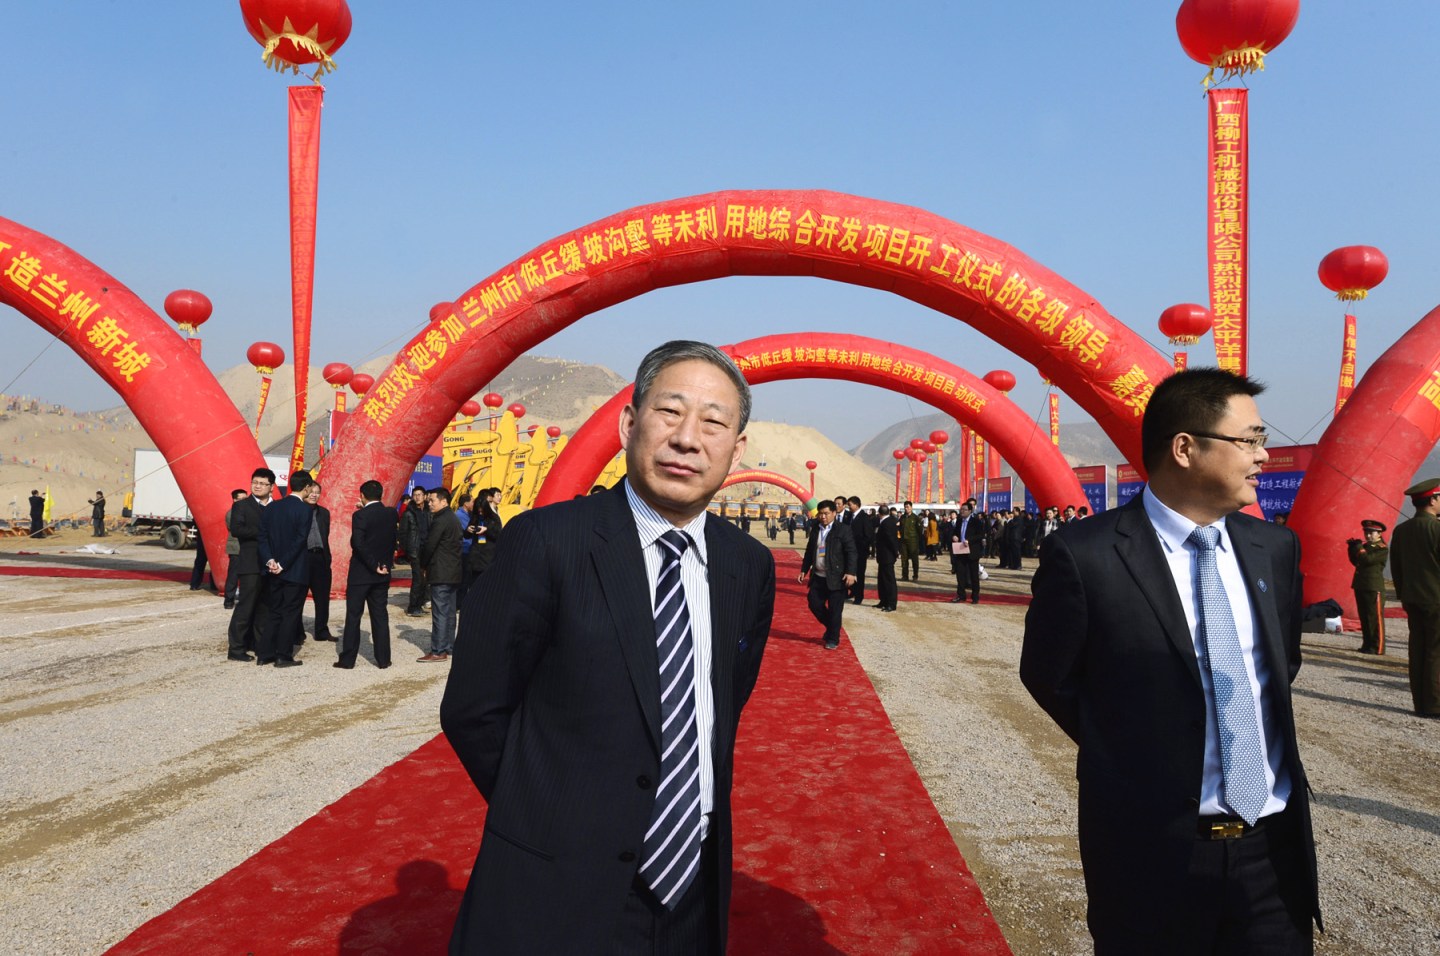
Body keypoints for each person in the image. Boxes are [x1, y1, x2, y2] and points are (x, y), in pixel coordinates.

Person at [440, 340, 775, 953]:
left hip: (692, 891)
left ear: (737, 448)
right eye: (669, 412)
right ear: (628, 424)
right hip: (557, 885)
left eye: (713, 422)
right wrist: (555, 815)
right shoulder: (547, 542)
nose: (687, 439)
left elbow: (723, 699)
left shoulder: (746, 565)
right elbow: (474, 708)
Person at [1020, 367, 1319, 953]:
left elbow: (1278, 666)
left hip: (1271, 852)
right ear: (1185, 448)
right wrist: (1137, 747)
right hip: (1151, 851)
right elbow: (1050, 676)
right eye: (1250, 439)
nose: (1263, 455)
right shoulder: (1087, 555)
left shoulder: (1273, 548)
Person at [1389, 478, 1440, 718]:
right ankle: (1434, 705)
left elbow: (1396, 568)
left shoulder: (1401, 530)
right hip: (1436, 599)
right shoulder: (1436, 529)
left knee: (1417, 650)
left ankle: (1420, 703)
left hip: (1412, 599)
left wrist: (1403, 594)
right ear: (1433, 500)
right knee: (1435, 652)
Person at [337, 480, 399, 670]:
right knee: (380, 616)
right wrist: (382, 565)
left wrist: (373, 565)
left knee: (353, 616)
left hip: (361, 573)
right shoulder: (391, 513)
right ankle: (383, 659)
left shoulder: (360, 515)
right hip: (383, 572)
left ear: (362, 495)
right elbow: (390, 539)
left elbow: (358, 543)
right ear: (381, 494)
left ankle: (348, 660)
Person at [256, 470, 316, 668]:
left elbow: (262, 537)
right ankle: (283, 655)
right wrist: (283, 564)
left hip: (273, 569)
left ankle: (265, 654)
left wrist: (270, 561)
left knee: (274, 611)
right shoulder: (305, 509)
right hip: (294, 570)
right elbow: (300, 540)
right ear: (306, 487)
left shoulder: (273, 507)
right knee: (290, 613)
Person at [226, 470, 274, 662]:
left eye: (262, 483)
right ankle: (236, 648)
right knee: (245, 606)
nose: (258, 486)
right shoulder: (242, 505)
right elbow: (237, 529)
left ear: (271, 486)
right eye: (255, 482)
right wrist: (264, 532)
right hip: (250, 563)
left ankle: (260, 645)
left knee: (264, 607)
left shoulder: (276, 507)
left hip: (270, 564)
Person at [798, 499, 857, 650]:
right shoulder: (816, 529)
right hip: (818, 577)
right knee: (814, 603)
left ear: (834, 513)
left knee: (835, 610)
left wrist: (851, 572)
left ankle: (833, 639)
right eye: (820, 514)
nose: (823, 517)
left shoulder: (843, 530)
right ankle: (832, 628)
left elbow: (851, 552)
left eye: (826, 513)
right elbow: (809, 551)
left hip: (836, 577)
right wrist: (804, 569)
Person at [417, 486, 462, 663]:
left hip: (441, 571)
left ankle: (438, 650)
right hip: (452, 571)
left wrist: (422, 565)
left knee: (441, 612)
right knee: (449, 612)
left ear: (444, 501)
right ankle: (449, 646)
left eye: (432, 500)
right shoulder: (452, 517)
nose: (429, 503)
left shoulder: (441, 519)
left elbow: (430, 545)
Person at [1347, 519, 1389, 655]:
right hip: (1361, 585)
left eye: (1372, 533)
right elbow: (1356, 561)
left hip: (1373, 587)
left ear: (1379, 534)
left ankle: (1377, 646)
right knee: (1364, 617)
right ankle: (1367, 644)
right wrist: (1351, 548)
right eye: (1366, 533)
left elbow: (1367, 560)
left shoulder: (1381, 548)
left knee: (1374, 618)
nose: (1368, 535)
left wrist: (1359, 548)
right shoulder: (1366, 547)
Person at [302, 481, 335, 643]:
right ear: (305, 492)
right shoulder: (298, 511)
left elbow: (325, 535)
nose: (314, 495)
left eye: (317, 492)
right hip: (302, 558)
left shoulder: (324, 513)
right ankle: (297, 633)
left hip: (320, 558)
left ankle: (322, 631)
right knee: (298, 598)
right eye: (311, 491)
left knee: (322, 598)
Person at [462, 486, 503, 594]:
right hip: (475, 556)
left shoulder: (494, 518)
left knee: (487, 587)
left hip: (488, 556)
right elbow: (466, 536)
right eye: (478, 511)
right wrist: (468, 530)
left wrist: (487, 529)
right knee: (474, 587)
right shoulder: (475, 518)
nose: (480, 513)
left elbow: (498, 534)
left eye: (482, 511)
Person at [398, 485, 431, 617]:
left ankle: (420, 604)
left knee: (425, 579)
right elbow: (402, 534)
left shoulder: (428, 512)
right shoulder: (408, 513)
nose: (417, 497)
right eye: (415, 495)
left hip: (426, 549)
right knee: (418, 578)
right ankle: (413, 607)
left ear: (424, 496)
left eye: (419, 495)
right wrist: (408, 551)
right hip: (415, 550)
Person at [949, 502, 985, 604]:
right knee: (960, 574)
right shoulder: (959, 521)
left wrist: (969, 540)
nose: (962, 511)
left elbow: (980, 535)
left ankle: (975, 596)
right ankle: (961, 595)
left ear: (970, 511)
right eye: (961, 509)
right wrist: (954, 536)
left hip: (972, 551)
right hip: (961, 550)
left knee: (974, 575)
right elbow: (955, 532)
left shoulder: (976, 521)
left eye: (964, 510)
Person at [846, 496, 874, 605]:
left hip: (860, 551)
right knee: (848, 572)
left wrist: (862, 547)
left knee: (859, 575)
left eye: (850, 505)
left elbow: (868, 535)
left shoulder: (864, 517)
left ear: (856, 505)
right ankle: (853, 591)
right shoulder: (849, 516)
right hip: (849, 551)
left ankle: (859, 596)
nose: (849, 507)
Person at [222, 488, 246, 609]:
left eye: (245, 499)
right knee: (233, 575)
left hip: (246, 548)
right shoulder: (231, 513)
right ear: (235, 500)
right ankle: (229, 600)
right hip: (236, 548)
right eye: (241, 499)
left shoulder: (246, 511)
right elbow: (236, 529)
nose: (244, 501)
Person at [874, 506, 900, 611]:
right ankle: (883, 600)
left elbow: (891, 539)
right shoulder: (887, 521)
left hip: (887, 555)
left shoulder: (887, 523)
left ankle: (891, 603)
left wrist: (895, 552)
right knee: (882, 579)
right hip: (883, 556)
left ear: (879, 513)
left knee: (889, 580)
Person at [899, 501, 921, 581]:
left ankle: (915, 576)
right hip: (903, 541)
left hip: (913, 541)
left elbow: (919, 530)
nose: (906, 508)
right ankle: (905, 576)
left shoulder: (915, 518)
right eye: (905, 507)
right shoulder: (902, 517)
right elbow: (900, 528)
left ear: (911, 507)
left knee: (914, 559)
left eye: (908, 507)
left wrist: (916, 540)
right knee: (904, 559)